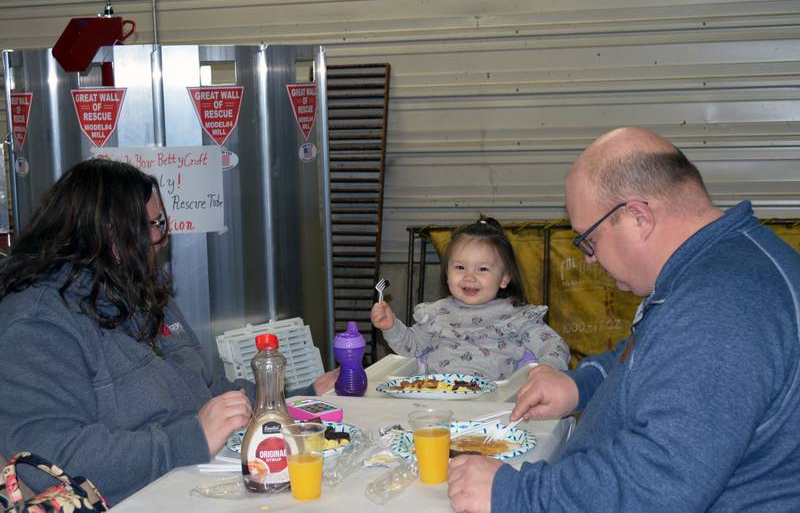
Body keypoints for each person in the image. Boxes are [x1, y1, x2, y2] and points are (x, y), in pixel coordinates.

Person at [447, 127, 800, 511]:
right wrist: (580, 385)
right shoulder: (713, 266)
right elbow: (650, 353)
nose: (589, 258)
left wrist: (513, 495)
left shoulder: (723, 306)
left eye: (589, 240)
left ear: (637, 217)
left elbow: (657, 485)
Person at [0, 159, 338, 505]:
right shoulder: (36, 324)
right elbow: (48, 462)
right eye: (156, 224)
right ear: (110, 234)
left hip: (192, 481)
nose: (163, 239)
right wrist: (190, 439)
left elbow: (208, 390)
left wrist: (294, 402)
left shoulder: (137, 289)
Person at [371, 217, 569, 381]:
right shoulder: (436, 314)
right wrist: (390, 327)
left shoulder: (518, 316)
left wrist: (548, 369)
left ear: (504, 278)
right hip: (435, 399)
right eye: (459, 268)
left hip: (493, 406)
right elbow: (411, 348)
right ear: (447, 273)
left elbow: (553, 345)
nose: (469, 277)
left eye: (482, 269)